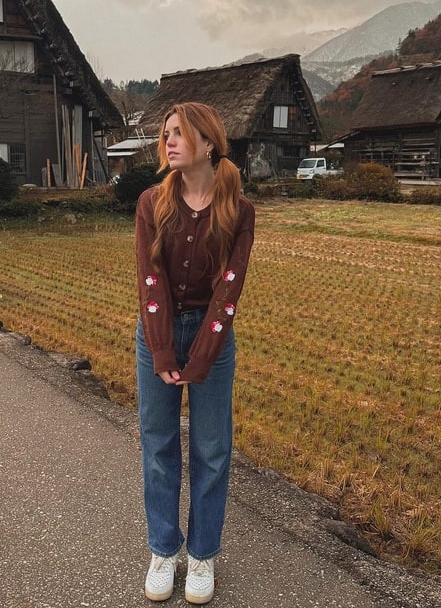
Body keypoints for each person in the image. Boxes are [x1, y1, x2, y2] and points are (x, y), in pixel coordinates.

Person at [135, 102, 255, 604]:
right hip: (157, 333)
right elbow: (150, 280)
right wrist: (163, 352)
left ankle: (202, 556)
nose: (170, 142)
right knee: (159, 445)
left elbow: (230, 287)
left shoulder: (239, 212)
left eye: (180, 134)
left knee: (211, 450)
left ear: (209, 142)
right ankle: (165, 549)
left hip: (213, 336)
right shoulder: (151, 203)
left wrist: (202, 356)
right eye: (166, 134)